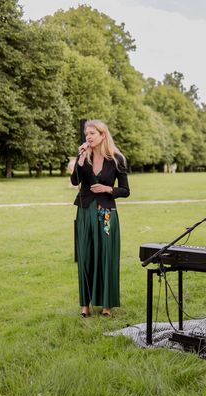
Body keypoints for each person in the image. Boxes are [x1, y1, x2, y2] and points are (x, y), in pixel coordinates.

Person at [70, 120, 130, 317]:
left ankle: (106, 306)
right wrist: (79, 159)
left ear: (103, 135)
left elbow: (125, 190)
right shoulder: (84, 157)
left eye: (93, 133)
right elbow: (75, 181)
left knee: (106, 256)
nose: (88, 136)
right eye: (87, 133)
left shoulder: (116, 159)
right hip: (85, 212)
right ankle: (85, 305)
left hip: (106, 213)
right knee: (86, 256)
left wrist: (108, 189)